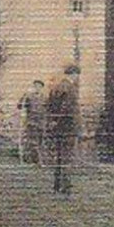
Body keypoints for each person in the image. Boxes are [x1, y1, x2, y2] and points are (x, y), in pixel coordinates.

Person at [45, 62, 80, 194]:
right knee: (67, 157)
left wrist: (53, 121)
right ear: (73, 74)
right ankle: (66, 187)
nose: (77, 78)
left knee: (60, 156)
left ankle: (57, 185)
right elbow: (67, 108)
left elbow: (49, 106)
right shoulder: (70, 88)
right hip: (68, 127)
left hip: (58, 127)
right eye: (76, 75)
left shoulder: (56, 87)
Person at [19, 79, 46, 165]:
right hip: (31, 121)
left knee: (40, 141)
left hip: (41, 122)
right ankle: (35, 161)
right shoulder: (29, 97)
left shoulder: (45, 98)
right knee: (32, 142)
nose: (37, 88)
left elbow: (48, 109)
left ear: (42, 88)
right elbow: (20, 106)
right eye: (35, 86)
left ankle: (39, 160)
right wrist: (24, 97)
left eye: (39, 86)